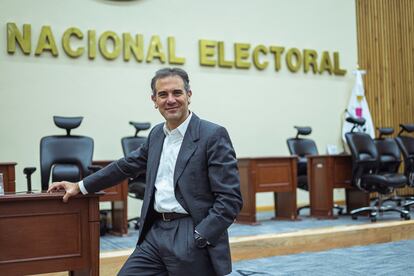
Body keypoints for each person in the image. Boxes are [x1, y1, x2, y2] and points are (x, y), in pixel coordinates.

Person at [47, 67, 243, 276]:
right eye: (163, 94)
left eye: (177, 93)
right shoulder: (157, 134)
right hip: (155, 230)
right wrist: (80, 186)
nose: (170, 100)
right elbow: (124, 166)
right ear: (154, 100)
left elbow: (230, 200)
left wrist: (201, 235)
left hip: (190, 231)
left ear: (189, 95)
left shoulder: (212, 135)